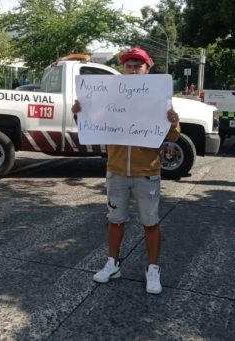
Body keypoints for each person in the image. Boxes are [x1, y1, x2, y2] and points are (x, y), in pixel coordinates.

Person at [71, 47, 181, 295]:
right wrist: (80, 114)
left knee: (150, 223)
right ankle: (113, 263)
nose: (132, 69)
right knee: (114, 220)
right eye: (129, 65)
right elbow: (92, 127)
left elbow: (172, 135)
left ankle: (153, 268)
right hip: (117, 170)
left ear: (147, 69)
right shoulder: (108, 95)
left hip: (147, 171)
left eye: (137, 66)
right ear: (123, 69)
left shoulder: (159, 97)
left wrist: (173, 121)